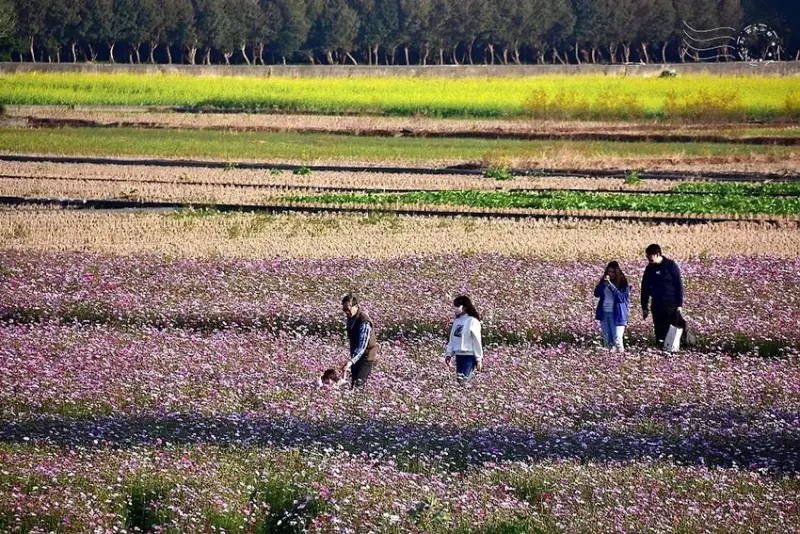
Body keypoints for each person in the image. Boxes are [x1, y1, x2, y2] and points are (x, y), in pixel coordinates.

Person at [641, 244, 684, 346]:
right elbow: (645, 288)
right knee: (659, 329)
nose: (648, 259)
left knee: (671, 328)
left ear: (657, 254)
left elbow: (679, 286)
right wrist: (644, 306)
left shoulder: (670, 266)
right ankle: (660, 347)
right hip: (656, 304)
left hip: (670, 304)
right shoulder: (649, 268)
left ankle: (671, 350)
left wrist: (679, 305)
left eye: (649, 256)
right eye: (647, 256)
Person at [340, 294, 379, 389]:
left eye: (348, 309)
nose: (346, 312)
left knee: (358, 383)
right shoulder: (351, 318)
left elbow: (362, 346)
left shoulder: (364, 322)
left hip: (366, 356)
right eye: (344, 310)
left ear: (356, 306)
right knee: (352, 383)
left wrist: (350, 362)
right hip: (356, 355)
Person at [445, 296, 484, 383]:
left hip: (469, 356)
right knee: (459, 381)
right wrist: (449, 353)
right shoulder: (457, 321)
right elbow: (452, 339)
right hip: (459, 355)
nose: (455, 308)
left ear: (465, 307)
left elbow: (477, 340)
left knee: (464, 381)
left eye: (457, 306)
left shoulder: (472, 321)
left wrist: (479, 359)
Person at [594, 260, 631, 352]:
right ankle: (609, 359)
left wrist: (610, 285)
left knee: (617, 339)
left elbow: (622, 298)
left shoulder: (623, 283)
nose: (610, 274)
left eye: (612, 272)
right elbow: (597, 293)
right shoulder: (604, 282)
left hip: (617, 314)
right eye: (608, 271)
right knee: (607, 340)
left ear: (617, 272)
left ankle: (621, 357)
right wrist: (604, 284)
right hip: (604, 313)